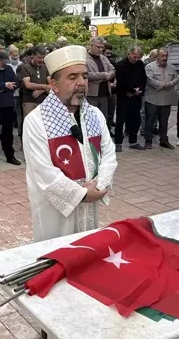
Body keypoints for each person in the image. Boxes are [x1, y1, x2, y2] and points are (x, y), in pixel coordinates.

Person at [22, 45, 117, 241]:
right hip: (55, 214)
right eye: (72, 78)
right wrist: (82, 194)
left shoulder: (96, 115)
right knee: (56, 255)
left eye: (84, 76)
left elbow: (109, 153)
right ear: (54, 85)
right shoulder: (36, 121)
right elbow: (43, 173)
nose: (82, 82)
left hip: (91, 200)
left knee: (86, 252)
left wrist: (100, 185)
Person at [114, 46, 146, 152]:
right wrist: (132, 90)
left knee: (136, 119)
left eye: (138, 57)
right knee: (120, 120)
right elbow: (121, 81)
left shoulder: (140, 64)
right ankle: (118, 142)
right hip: (124, 96)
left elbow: (144, 79)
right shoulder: (120, 65)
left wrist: (139, 90)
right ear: (130, 54)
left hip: (136, 97)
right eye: (134, 56)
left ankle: (133, 141)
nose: (135, 59)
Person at [144, 49, 178, 150]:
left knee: (164, 122)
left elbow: (176, 78)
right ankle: (148, 141)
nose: (164, 58)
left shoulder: (171, 67)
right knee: (150, 121)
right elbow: (150, 80)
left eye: (166, 56)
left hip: (166, 100)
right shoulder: (149, 67)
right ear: (157, 56)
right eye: (162, 56)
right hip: (152, 100)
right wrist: (164, 85)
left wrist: (170, 84)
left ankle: (164, 141)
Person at [86, 36, 115, 121]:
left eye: (102, 47)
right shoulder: (84, 58)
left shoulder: (103, 58)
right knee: (92, 119)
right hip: (91, 95)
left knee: (103, 119)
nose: (101, 49)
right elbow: (86, 75)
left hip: (104, 94)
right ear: (91, 45)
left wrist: (109, 76)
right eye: (98, 47)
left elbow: (112, 70)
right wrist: (103, 76)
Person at [18, 45, 50, 118]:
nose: (41, 60)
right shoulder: (25, 67)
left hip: (44, 102)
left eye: (43, 57)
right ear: (32, 55)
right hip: (29, 101)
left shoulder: (45, 67)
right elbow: (28, 85)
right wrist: (45, 87)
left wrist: (41, 90)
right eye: (39, 57)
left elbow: (51, 84)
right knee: (30, 125)